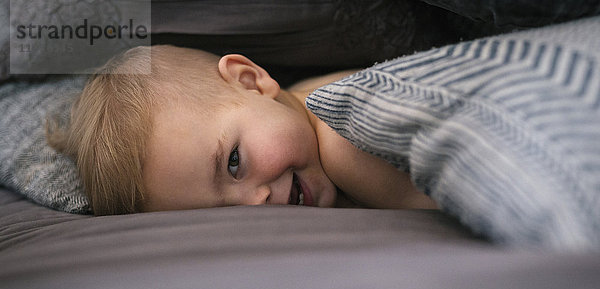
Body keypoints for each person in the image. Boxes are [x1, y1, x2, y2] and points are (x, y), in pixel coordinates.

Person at [47, 45, 437, 215]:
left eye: (234, 163)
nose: (257, 203)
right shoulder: (301, 109)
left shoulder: (344, 139)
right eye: (227, 214)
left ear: (250, 80)